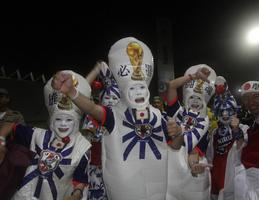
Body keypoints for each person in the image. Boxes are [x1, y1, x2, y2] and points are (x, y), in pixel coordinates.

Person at [52, 37, 184, 200]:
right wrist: (72, 92)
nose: (138, 92)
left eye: (140, 87)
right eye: (133, 88)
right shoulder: (114, 114)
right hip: (125, 187)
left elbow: (176, 146)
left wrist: (178, 133)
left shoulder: (159, 116)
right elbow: (92, 108)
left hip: (156, 185)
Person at [0, 71, 92, 200]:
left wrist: (76, 194)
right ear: (52, 120)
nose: (63, 124)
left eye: (69, 120)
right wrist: (1, 139)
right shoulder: (37, 135)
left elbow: (80, 178)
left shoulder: (82, 147)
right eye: (58, 119)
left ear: (77, 122)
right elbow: (11, 126)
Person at [165, 64, 216, 200]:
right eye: (192, 97)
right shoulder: (177, 111)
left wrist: (194, 165)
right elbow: (171, 85)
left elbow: (194, 150)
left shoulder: (204, 121)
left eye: (199, 98)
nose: (195, 101)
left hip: (194, 170)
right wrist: (194, 76)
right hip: (171, 168)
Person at [82, 61, 120, 200]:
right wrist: (96, 70)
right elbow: (80, 91)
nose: (111, 102)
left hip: (118, 169)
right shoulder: (92, 116)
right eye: (108, 98)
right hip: (96, 170)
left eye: (115, 99)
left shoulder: (124, 118)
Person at [207, 76, 248, 200]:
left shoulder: (243, 128)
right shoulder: (214, 133)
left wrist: (236, 130)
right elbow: (210, 157)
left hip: (234, 177)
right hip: (217, 178)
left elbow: (243, 147)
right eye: (221, 111)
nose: (224, 114)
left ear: (235, 111)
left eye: (228, 110)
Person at [0, 88, 29, 200]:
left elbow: (23, 135)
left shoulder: (15, 116)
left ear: (7, 99)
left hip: (7, 155)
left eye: (1, 96)